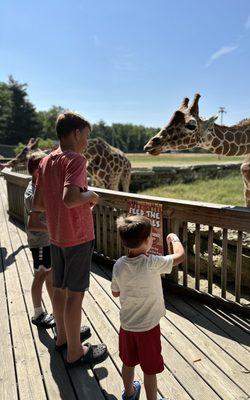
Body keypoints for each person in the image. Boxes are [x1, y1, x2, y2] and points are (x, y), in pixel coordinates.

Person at [31, 111, 107, 366]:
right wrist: (92, 196)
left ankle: (62, 337)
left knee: (61, 290)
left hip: (56, 237)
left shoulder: (45, 161)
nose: (87, 141)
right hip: (78, 237)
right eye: (86, 136)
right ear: (75, 133)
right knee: (76, 295)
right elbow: (71, 198)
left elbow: (40, 203)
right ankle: (75, 351)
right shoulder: (76, 160)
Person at [111, 215, 185, 400]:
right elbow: (180, 256)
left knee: (128, 363)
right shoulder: (152, 263)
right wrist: (173, 238)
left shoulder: (119, 265)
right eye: (151, 236)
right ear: (146, 241)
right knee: (149, 369)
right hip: (148, 328)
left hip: (127, 326)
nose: (153, 238)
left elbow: (115, 293)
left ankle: (129, 394)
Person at [24, 151, 55, 329]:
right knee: (41, 276)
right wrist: (54, 229)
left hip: (46, 241)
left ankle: (53, 311)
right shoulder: (31, 193)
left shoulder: (38, 188)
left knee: (48, 276)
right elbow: (32, 224)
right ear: (37, 171)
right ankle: (38, 313)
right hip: (41, 243)